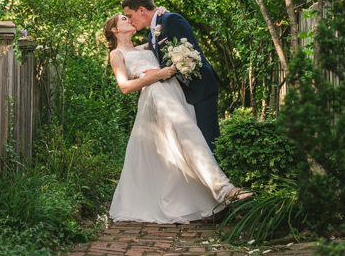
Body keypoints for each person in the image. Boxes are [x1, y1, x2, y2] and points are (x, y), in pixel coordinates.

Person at [104, 12, 250, 224]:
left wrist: (159, 12)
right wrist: (156, 75)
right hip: (156, 95)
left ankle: (201, 200)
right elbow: (125, 86)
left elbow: (163, 42)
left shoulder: (144, 46)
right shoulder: (116, 54)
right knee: (187, 134)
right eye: (123, 19)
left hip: (175, 92)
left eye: (129, 16)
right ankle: (224, 190)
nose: (129, 19)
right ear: (115, 30)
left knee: (177, 145)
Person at [122, 0, 221, 152]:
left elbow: (190, 53)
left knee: (209, 143)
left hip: (200, 87)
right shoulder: (151, 35)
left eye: (130, 16)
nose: (130, 21)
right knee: (195, 145)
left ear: (141, 10)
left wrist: (158, 71)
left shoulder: (171, 19)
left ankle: (222, 177)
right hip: (180, 94)